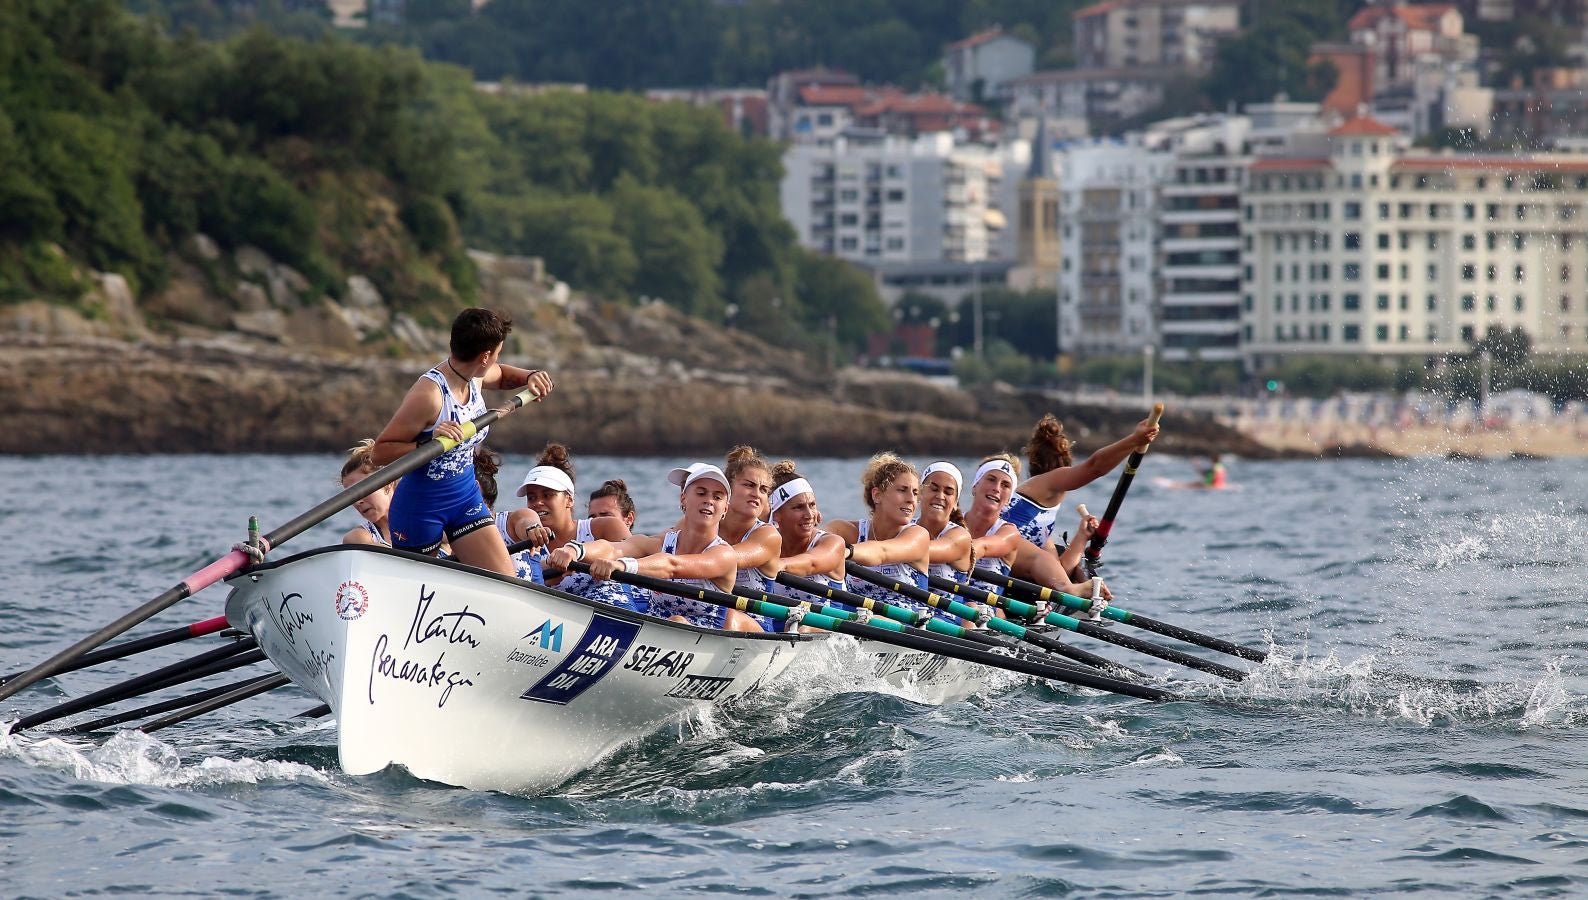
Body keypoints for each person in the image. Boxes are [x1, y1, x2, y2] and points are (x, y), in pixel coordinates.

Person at [372, 308, 553, 576]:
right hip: (421, 506)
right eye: (498, 353)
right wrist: (428, 442)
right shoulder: (430, 395)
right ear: (485, 357)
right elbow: (379, 453)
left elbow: (502, 376)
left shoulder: (476, 376)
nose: (497, 359)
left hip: (465, 498)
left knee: (505, 580)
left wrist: (529, 376)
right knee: (416, 588)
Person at [549, 464, 763, 632]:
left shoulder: (723, 554)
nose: (709, 501)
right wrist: (575, 551)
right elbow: (615, 548)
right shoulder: (664, 542)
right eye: (701, 493)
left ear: (725, 509)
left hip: (706, 637)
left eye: (717, 497)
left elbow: (672, 566)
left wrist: (621, 566)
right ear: (683, 499)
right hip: (655, 628)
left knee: (678, 620)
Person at [1002, 414, 1158, 599]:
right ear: (1067, 468)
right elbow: (1095, 467)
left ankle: (1074, 591)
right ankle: (1076, 591)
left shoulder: (1039, 525)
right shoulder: (1049, 483)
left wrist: (1082, 537)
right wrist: (1135, 440)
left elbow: (1058, 571)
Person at [511, 443, 640, 610]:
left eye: (547, 495)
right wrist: (546, 568)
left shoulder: (605, 527)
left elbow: (638, 554)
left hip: (616, 612)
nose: (538, 503)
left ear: (569, 500)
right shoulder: (525, 543)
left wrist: (578, 553)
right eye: (532, 497)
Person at [828, 453, 952, 622]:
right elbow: (812, 541)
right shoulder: (845, 530)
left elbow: (882, 552)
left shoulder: (917, 535)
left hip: (905, 628)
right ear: (877, 495)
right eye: (902, 490)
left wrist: (846, 552)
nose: (911, 500)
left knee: (873, 621)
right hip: (854, 624)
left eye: (915, 493)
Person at [718, 446, 782, 629]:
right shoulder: (707, 524)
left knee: (730, 617)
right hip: (711, 616)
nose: (756, 494)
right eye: (749, 485)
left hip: (755, 625)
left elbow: (725, 559)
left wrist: (673, 564)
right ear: (728, 488)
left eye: (763, 490)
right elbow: (661, 541)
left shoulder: (768, 535)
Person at [474, 447, 543, 584]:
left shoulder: (509, 522)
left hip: (530, 600)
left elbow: (527, 520)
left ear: (475, 489)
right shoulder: (447, 526)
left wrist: (533, 529)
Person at [961, 456, 1024, 597]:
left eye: (1005, 485)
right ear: (975, 485)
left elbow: (981, 547)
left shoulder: (1009, 533)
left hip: (983, 612)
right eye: (991, 479)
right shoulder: (952, 523)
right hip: (946, 607)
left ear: (1008, 499)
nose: (996, 488)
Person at [916, 461, 973, 585]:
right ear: (920, 493)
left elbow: (917, 551)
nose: (940, 496)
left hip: (949, 604)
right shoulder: (905, 528)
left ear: (955, 504)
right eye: (934, 489)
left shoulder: (961, 537)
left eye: (948, 492)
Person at [340, 439, 393, 547]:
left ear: (387, 483)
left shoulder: (429, 517)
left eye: (362, 490)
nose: (357, 502)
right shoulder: (358, 538)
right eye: (350, 496)